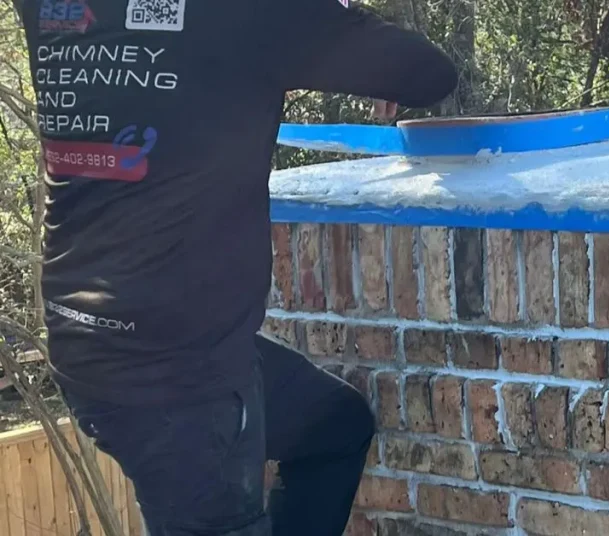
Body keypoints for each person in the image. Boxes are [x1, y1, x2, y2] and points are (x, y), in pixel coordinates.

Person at [17, 0, 458, 534]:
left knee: (334, 428)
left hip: (83, 342)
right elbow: (428, 73)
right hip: (181, 380)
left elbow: (180, 62)